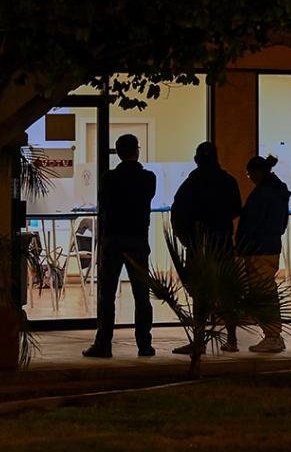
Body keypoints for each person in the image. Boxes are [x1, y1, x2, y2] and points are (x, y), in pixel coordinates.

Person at [82, 134, 156, 359]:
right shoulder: (148, 178)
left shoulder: (108, 178)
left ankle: (103, 344)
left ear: (118, 152)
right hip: (138, 240)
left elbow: (104, 204)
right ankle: (144, 344)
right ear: (137, 151)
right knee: (141, 295)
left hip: (113, 240)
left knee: (107, 295)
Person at [171, 141, 242, 353]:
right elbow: (236, 208)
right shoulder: (228, 181)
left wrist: (186, 238)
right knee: (227, 293)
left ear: (196, 160)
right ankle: (232, 339)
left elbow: (178, 212)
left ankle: (199, 340)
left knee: (200, 294)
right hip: (223, 244)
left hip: (199, 246)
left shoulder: (191, 183)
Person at [236, 154, 291, 353]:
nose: (250, 178)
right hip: (270, 246)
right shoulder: (279, 192)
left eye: (249, 174)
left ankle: (272, 335)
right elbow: (281, 224)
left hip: (258, 249)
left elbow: (251, 223)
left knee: (264, 292)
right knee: (266, 290)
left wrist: (241, 246)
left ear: (257, 172)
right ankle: (272, 334)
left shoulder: (263, 193)